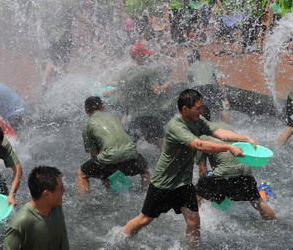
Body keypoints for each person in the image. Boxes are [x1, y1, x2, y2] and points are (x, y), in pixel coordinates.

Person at [123, 89, 257, 247]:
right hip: (164, 183)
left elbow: (219, 132)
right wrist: (228, 148)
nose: (201, 111)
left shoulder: (198, 121)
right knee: (145, 219)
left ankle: (192, 247)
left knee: (194, 221)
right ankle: (120, 238)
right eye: (198, 108)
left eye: (201, 107)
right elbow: (198, 144)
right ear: (185, 109)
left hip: (184, 183)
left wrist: (245, 138)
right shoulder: (175, 126)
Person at [195, 106, 276, 220]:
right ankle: (275, 222)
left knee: (196, 195)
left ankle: (199, 222)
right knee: (257, 201)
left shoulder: (200, 138)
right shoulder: (226, 127)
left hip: (223, 174)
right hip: (244, 170)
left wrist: (208, 188)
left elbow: (202, 170)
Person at [77, 96, 150, 193]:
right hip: (131, 156)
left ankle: (85, 202)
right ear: (103, 106)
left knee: (81, 174)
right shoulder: (114, 116)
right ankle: (145, 194)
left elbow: (94, 154)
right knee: (144, 170)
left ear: (86, 111)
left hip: (109, 160)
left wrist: (103, 175)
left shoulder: (87, 126)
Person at [117, 43, 173, 148]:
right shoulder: (146, 71)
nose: (146, 57)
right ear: (138, 56)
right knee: (162, 144)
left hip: (131, 116)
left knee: (130, 146)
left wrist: (127, 110)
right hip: (148, 115)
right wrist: (167, 85)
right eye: (144, 55)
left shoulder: (123, 72)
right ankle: (172, 163)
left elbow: (120, 94)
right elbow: (157, 90)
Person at [3, 166, 70, 250]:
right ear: (47, 194)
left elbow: (63, 240)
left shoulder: (56, 208)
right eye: (61, 188)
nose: (64, 191)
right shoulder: (20, 222)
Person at [186, 49, 230, 123]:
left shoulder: (189, 69)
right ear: (199, 57)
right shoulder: (209, 64)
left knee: (200, 111)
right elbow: (219, 81)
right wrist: (225, 99)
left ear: (190, 59)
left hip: (197, 90)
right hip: (210, 87)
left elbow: (189, 87)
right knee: (220, 110)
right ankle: (230, 128)